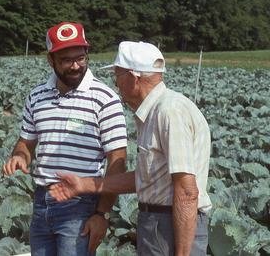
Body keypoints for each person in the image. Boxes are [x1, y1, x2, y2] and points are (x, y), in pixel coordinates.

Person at [49, 41, 212, 256]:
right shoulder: (155, 112)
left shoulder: (170, 112)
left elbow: (187, 190)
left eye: (118, 75)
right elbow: (147, 178)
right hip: (158, 224)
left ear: (134, 78)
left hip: (171, 225)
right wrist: (84, 184)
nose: (116, 83)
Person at [2, 22, 128, 256]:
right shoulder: (36, 96)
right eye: (66, 60)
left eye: (80, 58)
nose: (75, 66)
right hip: (42, 202)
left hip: (80, 206)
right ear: (51, 60)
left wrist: (102, 214)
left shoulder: (105, 99)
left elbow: (118, 160)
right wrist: (20, 156)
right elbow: (26, 143)